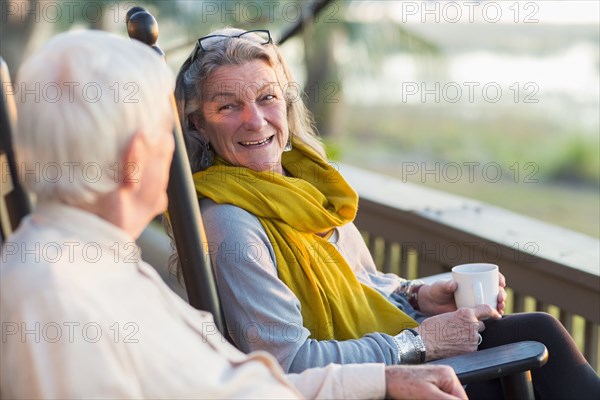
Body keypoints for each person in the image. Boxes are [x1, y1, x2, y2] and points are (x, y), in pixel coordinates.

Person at [0, 30, 468, 400]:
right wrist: (412, 347)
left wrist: (382, 379)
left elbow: (235, 386)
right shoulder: (56, 295)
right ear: (137, 155)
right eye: (170, 135)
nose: (179, 156)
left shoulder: (91, 266)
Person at [173, 27, 600, 399]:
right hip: (370, 387)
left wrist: (415, 296)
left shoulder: (305, 187)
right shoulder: (231, 224)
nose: (254, 120)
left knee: (537, 333)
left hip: (384, 367)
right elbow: (291, 365)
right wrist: (419, 342)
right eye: (228, 106)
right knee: (538, 341)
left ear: (285, 105)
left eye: (266, 98)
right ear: (198, 125)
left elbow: (360, 286)